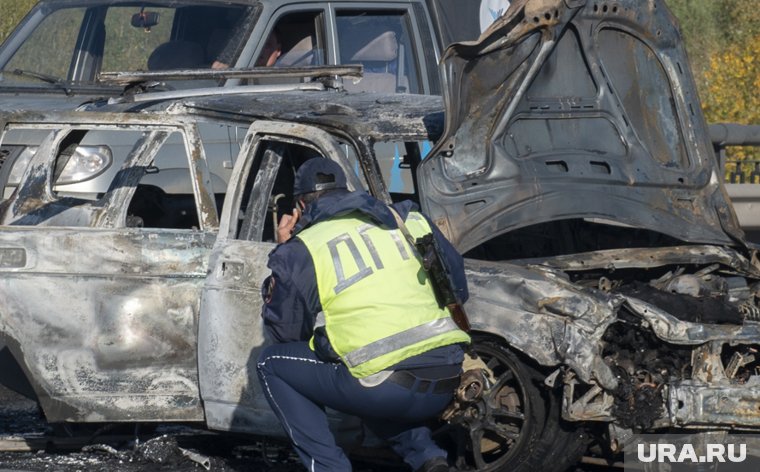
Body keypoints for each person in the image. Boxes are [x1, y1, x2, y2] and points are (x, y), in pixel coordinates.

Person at [256, 158, 471, 472]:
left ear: (300, 206)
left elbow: (286, 333)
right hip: (447, 379)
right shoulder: (407, 219)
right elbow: (458, 290)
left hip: (386, 390)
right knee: (360, 363)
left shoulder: (302, 249)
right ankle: (429, 459)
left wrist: (284, 250)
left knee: (272, 363)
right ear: (346, 191)